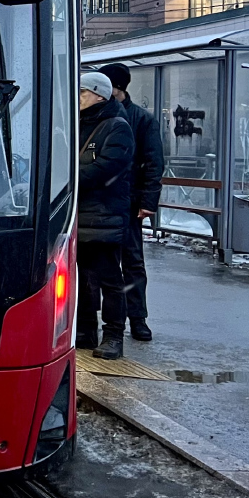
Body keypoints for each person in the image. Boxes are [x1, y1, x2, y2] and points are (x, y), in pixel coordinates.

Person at [98, 63, 164, 342]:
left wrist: (148, 201)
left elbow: (154, 162)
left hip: (130, 203)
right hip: (103, 202)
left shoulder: (142, 120)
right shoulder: (98, 116)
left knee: (133, 262)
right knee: (104, 263)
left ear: (118, 87)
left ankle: (138, 318)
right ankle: (112, 320)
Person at [77, 70, 135, 360]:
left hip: (105, 216)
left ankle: (114, 335)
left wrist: (70, 178)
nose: (78, 99)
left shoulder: (117, 127)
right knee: (82, 277)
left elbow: (106, 169)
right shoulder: (79, 124)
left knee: (111, 278)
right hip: (81, 216)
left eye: (83, 93)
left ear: (99, 94)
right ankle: (85, 332)